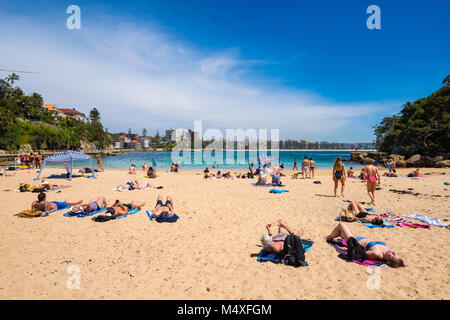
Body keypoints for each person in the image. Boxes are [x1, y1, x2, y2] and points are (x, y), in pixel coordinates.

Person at [326, 223, 405, 268]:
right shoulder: (387, 250)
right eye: (396, 253)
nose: (393, 252)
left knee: (341, 225)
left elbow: (359, 252)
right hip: (359, 238)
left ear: (388, 260)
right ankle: (332, 236)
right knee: (340, 232)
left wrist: (346, 249)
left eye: (393, 255)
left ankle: (329, 237)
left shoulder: (376, 253)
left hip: (353, 242)